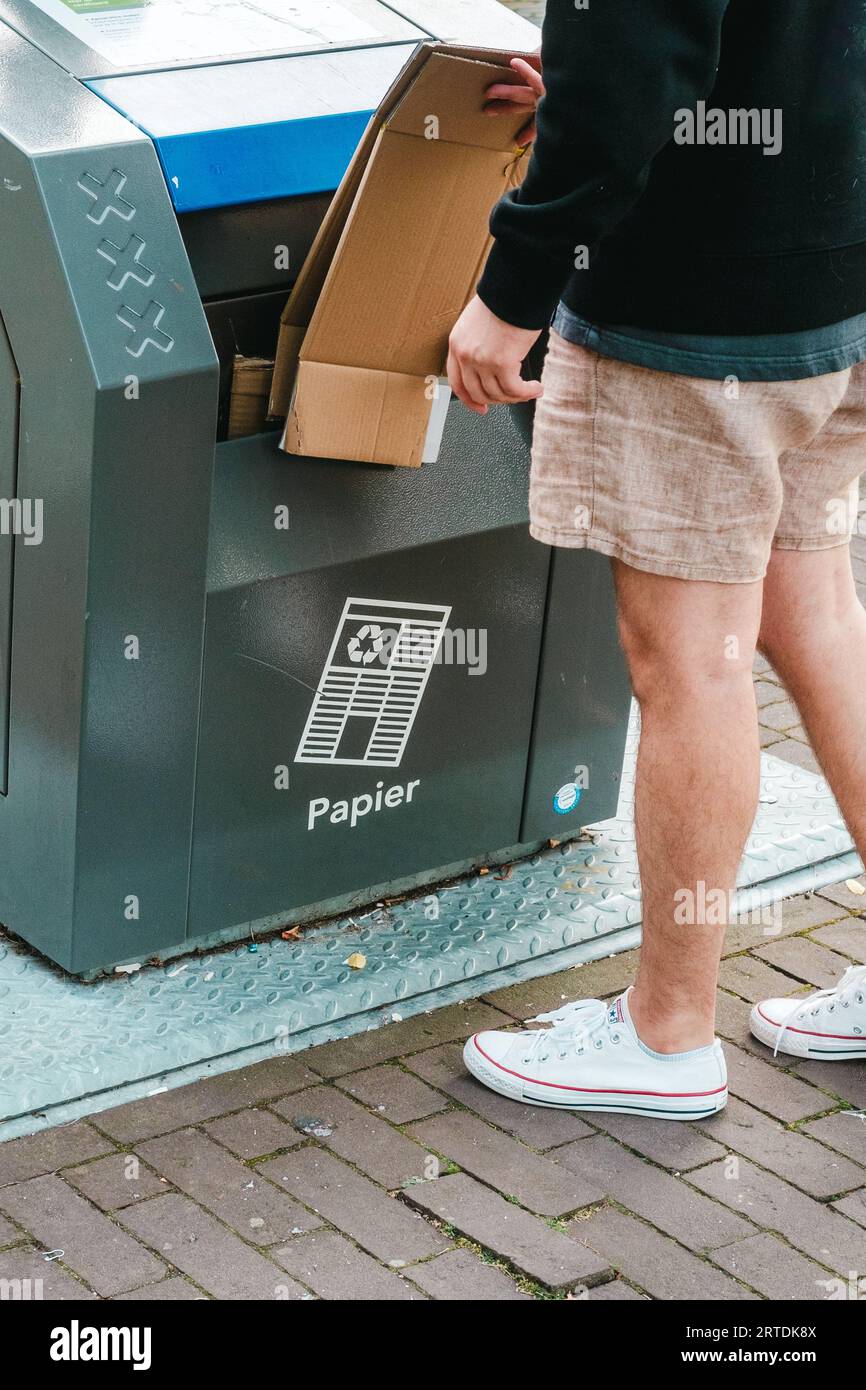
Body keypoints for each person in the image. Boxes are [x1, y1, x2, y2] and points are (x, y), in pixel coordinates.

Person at [450, 1, 866, 1119]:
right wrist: (636, 102)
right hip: (835, 263)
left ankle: (664, 1032)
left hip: (699, 307)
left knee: (690, 662)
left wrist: (508, 293)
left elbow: (642, 45)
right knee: (807, 606)